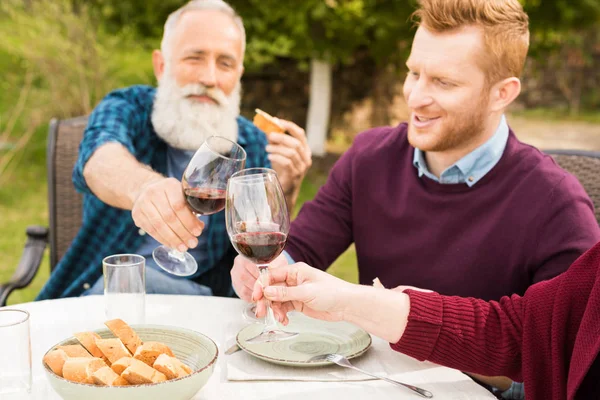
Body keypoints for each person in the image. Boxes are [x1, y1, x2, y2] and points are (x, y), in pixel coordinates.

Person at [231, 0, 600, 397]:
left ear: (501, 94)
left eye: (443, 82)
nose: (416, 97)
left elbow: (557, 370)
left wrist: (430, 335)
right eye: (413, 73)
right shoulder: (368, 157)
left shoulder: (556, 203)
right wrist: (261, 271)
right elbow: (298, 250)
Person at [36, 0, 312, 300]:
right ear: (161, 64)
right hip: (102, 294)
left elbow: (260, 251)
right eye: (195, 58)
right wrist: (146, 188)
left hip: (204, 305)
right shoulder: (127, 107)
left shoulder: (253, 144)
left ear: (239, 74)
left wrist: (288, 186)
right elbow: (99, 159)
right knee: (126, 287)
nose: (209, 78)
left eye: (225, 63)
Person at [251, 239, 600, 400]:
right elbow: (514, 332)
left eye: (443, 84)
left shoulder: (555, 195)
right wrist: (348, 302)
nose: (414, 96)